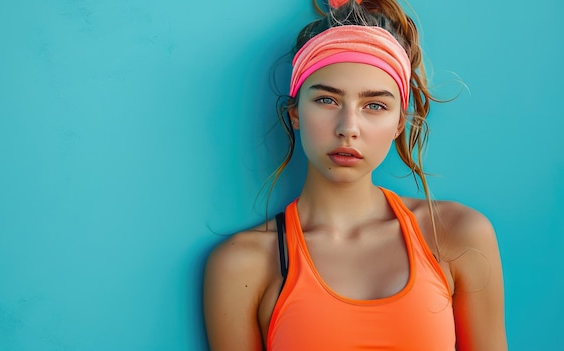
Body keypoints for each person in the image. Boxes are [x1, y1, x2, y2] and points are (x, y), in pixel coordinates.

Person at [203, 0, 507, 349]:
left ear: (399, 123)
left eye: (374, 105)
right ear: (295, 113)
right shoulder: (243, 265)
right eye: (326, 100)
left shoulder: (456, 237)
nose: (348, 128)